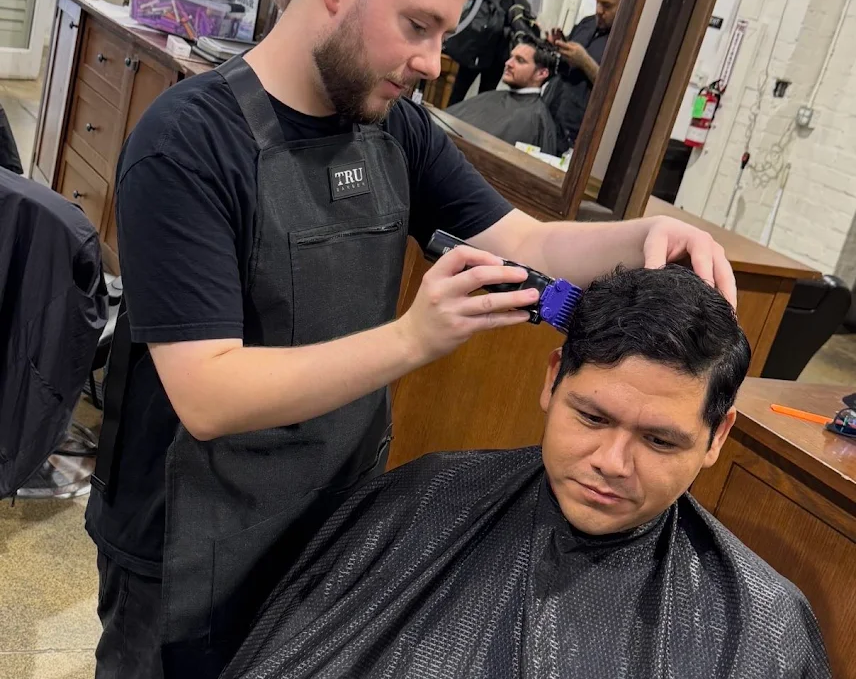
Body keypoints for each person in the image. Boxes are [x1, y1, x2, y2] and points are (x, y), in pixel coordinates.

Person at [86, 0, 734, 679]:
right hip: (185, 542)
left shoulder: (393, 132)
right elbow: (208, 394)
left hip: (330, 519)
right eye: (417, 25)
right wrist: (413, 338)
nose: (432, 61)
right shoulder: (187, 144)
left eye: (444, 31)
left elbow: (528, 238)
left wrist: (647, 233)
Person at [221, 265, 831, 679]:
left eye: (659, 440)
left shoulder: (761, 629)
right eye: (591, 418)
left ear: (715, 438)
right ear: (552, 379)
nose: (612, 465)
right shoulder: (425, 500)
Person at [544, 0, 628, 151]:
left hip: (578, 138)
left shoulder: (629, 43)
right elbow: (566, 68)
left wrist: (585, 62)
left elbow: (617, 92)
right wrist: (559, 48)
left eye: (607, 5)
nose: (598, 10)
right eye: (597, 1)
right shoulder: (586, 24)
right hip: (550, 118)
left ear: (627, 2)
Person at [445, 0, 536, 105]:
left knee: (458, 93)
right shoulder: (525, 6)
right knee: (485, 101)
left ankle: (443, 124)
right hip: (499, 60)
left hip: (477, 51)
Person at [447, 40, 560, 154]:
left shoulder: (537, 120)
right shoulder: (490, 96)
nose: (508, 63)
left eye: (520, 60)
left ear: (541, 74)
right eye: (511, 57)